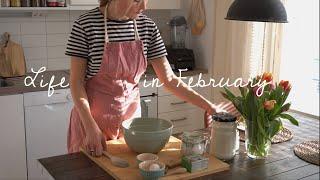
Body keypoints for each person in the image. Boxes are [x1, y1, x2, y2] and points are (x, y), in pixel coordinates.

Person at [65, 0, 238, 157]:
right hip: (92, 125)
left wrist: (209, 107)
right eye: (137, 0)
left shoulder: (147, 27)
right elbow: (76, 82)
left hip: (131, 128)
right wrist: (90, 126)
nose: (144, 6)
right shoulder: (85, 25)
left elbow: (169, 80)